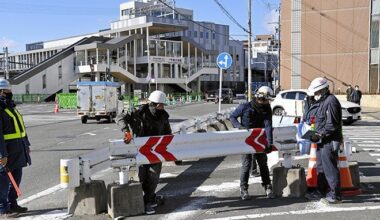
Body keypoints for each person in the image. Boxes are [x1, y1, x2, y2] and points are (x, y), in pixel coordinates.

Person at [117, 90, 171, 215]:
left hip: (156, 151)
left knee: (153, 177)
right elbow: (120, 117)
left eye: (163, 105)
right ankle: (143, 200)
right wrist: (126, 131)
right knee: (140, 176)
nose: (162, 107)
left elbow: (168, 134)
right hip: (140, 151)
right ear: (154, 104)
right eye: (160, 105)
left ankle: (148, 201)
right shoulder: (139, 112)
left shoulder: (163, 116)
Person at [230, 86, 275, 200]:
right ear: (260, 97)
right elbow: (232, 117)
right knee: (247, 164)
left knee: (263, 163)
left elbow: (268, 125)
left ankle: (268, 186)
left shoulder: (267, 108)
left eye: (268, 100)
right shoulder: (245, 106)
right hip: (246, 139)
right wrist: (239, 126)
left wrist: (269, 143)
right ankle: (243, 189)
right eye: (265, 99)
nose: (266, 102)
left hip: (259, 139)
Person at [306, 77, 343, 204]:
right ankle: (321, 190)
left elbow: (332, 124)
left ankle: (335, 195)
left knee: (330, 168)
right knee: (321, 167)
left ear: (323, 90)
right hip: (322, 140)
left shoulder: (331, 101)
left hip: (329, 140)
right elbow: (315, 120)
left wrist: (319, 134)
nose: (315, 95)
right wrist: (312, 133)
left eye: (316, 92)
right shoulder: (322, 101)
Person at [0, 79, 31, 218]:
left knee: (16, 179)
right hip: (5, 151)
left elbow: (21, 128)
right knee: (3, 182)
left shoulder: (11, 107)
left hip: (18, 149)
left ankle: (13, 204)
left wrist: (27, 144)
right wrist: (2, 154)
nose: (10, 93)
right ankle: (3, 209)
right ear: (1, 92)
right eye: (7, 91)